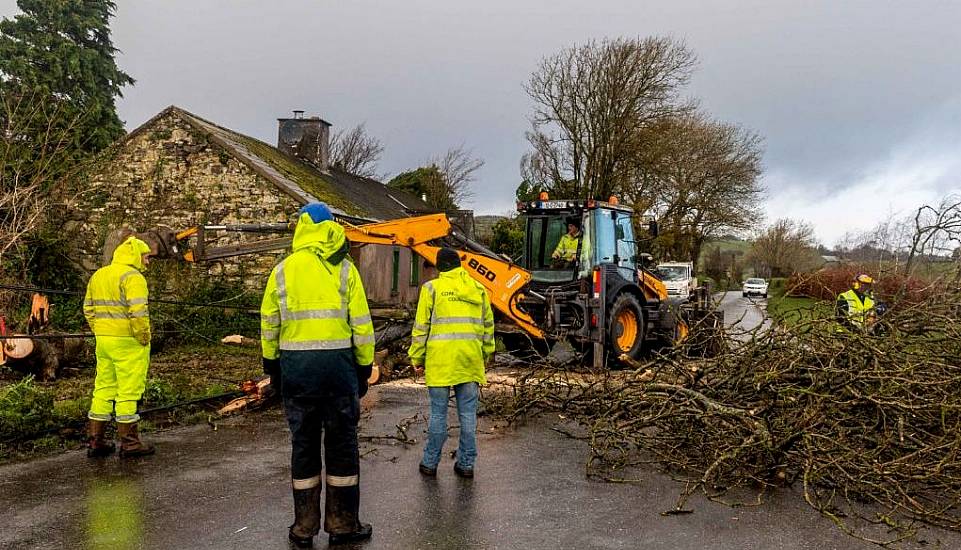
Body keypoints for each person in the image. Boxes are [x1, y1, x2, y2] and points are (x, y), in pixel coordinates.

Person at [260, 202, 375, 548]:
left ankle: (304, 527)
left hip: (297, 373)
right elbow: (362, 326)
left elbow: (269, 324)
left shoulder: (282, 270)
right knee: (342, 447)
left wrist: (272, 368)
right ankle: (342, 524)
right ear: (330, 228)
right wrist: (364, 368)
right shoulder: (344, 269)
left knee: (304, 447)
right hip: (339, 373)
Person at [409, 248, 495, 478]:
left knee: (438, 414)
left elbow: (421, 329)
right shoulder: (478, 289)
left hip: (440, 362)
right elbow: (488, 327)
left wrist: (417, 357)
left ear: (439, 267)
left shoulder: (432, 289)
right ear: (459, 265)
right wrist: (486, 353)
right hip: (469, 360)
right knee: (468, 416)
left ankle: (430, 463)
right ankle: (466, 464)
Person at [84, 235, 155, 459]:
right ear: (135, 256)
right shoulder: (133, 277)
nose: (147, 262)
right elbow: (138, 312)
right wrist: (143, 336)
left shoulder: (99, 274)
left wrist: (100, 330)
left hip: (104, 340)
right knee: (128, 390)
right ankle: (130, 444)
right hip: (128, 342)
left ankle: (97, 442)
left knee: (104, 387)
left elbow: (88, 308)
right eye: (146, 257)